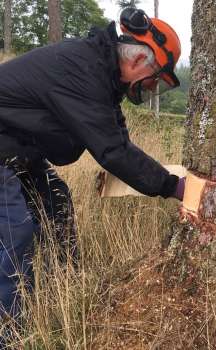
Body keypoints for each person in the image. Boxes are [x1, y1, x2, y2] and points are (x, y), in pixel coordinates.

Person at [0, 7, 186, 326]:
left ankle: (63, 292)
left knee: (56, 204)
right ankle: (9, 330)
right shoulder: (83, 70)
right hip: (5, 149)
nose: (152, 89)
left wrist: (163, 177)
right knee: (16, 230)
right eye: (155, 81)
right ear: (139, 60)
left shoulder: (100, 73)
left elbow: (120, 140)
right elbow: (112, 152)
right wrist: (175, 186)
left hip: (18, 150)